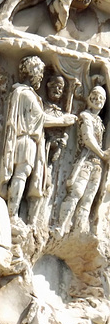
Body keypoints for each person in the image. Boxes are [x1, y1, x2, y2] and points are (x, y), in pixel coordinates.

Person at [0, 56, 77, 224]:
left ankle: (15, 212)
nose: (41, 76)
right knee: (21, 174)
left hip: (29, 141)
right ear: (31, 72)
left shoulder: (25, 93)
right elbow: (41, 120)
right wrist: (64, 120)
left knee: (23, 175)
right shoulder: (25, 94)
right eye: (39, 72)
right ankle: (12, 214)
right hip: (25, 140)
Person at [57, 86, 109, 235]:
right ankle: (60, 226)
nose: (97, 99)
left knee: (88, 198)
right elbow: (87, 138)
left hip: (97, 165)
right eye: (95, 95)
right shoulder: (85, 116)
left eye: (101, 98)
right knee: (76, 192)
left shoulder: (99, 121)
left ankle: (78, 231)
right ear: (89, 98)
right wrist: (102, 153)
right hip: (85, 160)